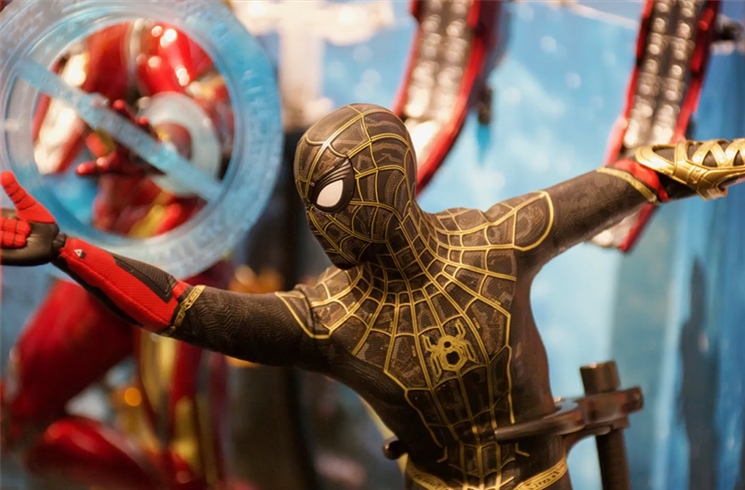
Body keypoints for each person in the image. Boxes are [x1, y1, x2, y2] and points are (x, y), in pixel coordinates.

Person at [1, 103, 743, 489]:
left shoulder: (495, 242)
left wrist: (732, 157)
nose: (318, 220)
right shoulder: (325, 319)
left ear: (389, 184)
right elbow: (177, 309)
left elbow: (638, 177)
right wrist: (68, 251)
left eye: (328, 196)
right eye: (309, 200)